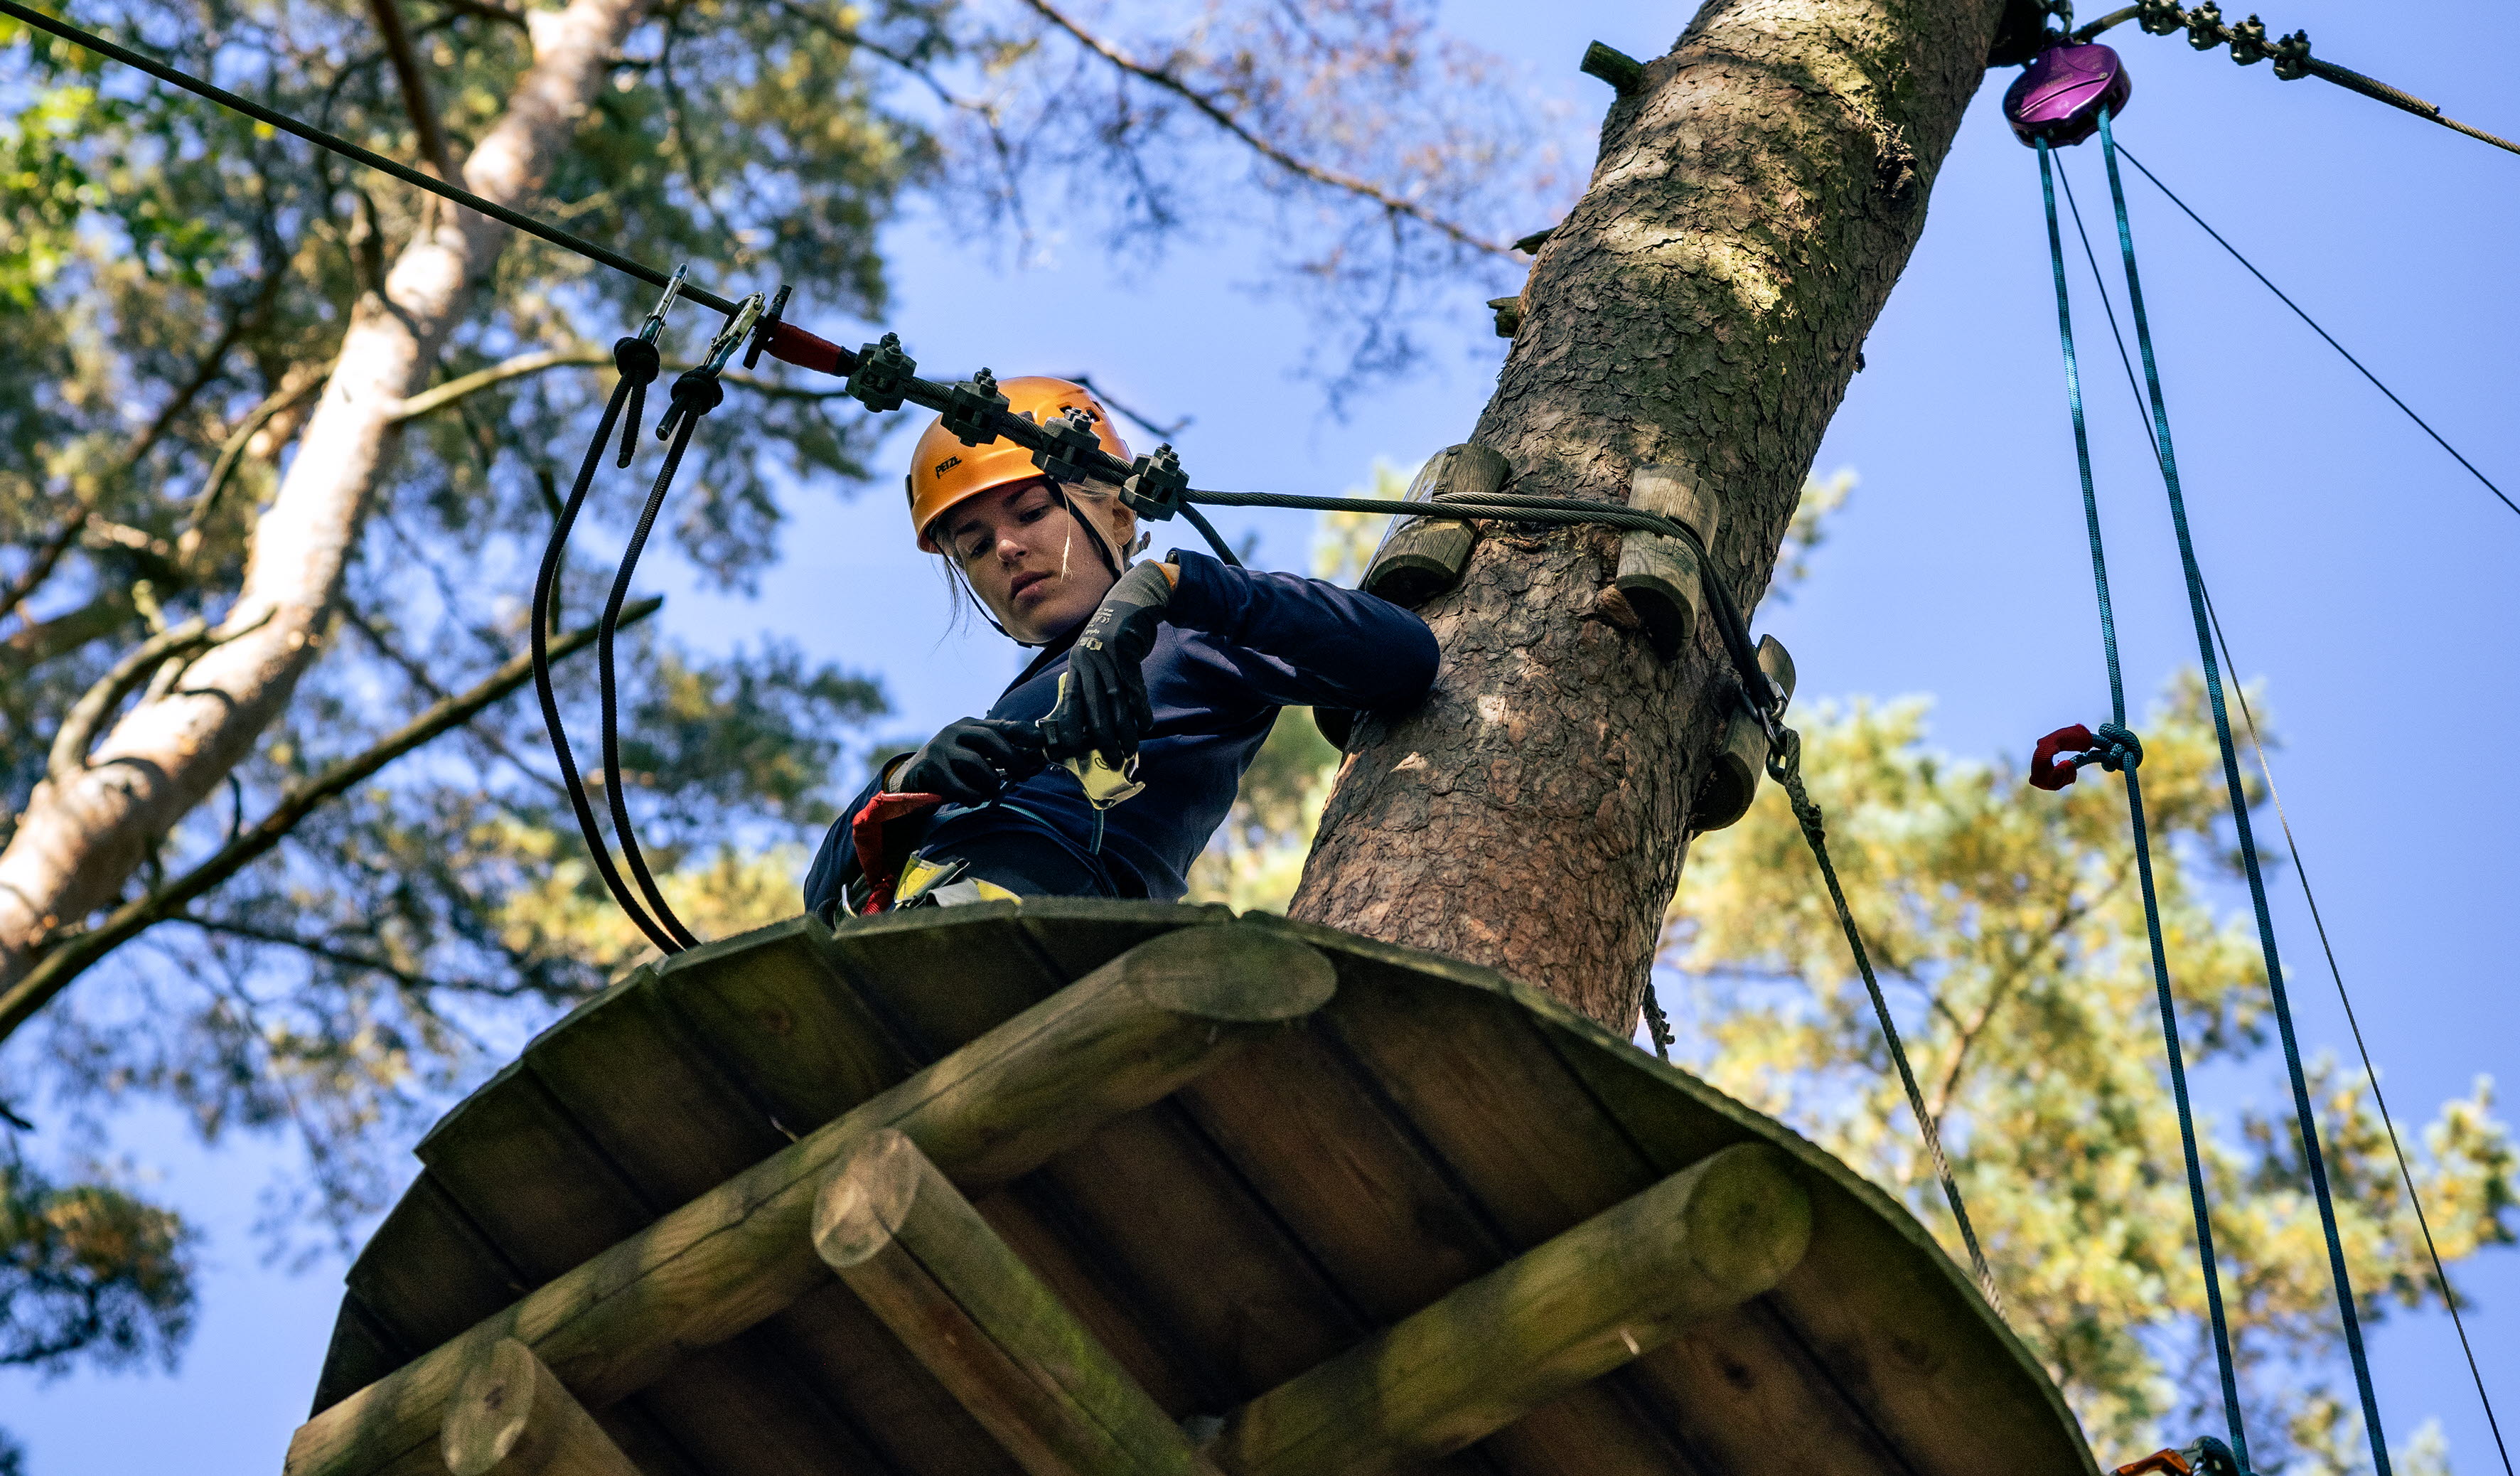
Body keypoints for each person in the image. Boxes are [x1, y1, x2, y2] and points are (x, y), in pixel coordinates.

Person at [803, 376, 1439, 919]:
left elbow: (1405, 654)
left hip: (1052, 924)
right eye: (972, 547)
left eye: (1028, 514)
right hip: (904, 927)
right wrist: (905, 781)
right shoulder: (1017, 701)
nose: (1003, 549)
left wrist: (1164, 584)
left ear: (1120, 518)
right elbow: (816, 896)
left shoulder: (1198, 627)